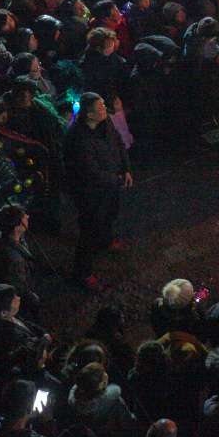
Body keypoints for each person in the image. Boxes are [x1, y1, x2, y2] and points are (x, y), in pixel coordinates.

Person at [63, 92, 131, 291]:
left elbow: (119, 143)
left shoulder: (105, 123)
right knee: (89, 230)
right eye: (100, 107)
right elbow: (90, 173)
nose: (105, 109)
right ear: (89, 115)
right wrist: (117, 179)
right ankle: (82, 273)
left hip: (110, 186)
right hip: (89, 193)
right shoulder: (77, 140)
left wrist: (125, 168)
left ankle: (106, 241)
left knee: (110, 214)